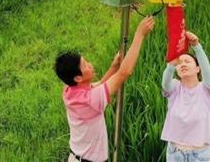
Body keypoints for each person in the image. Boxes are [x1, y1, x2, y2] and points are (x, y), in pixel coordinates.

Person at [54, 16, 155, 162]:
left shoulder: (69, 90)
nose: (90, 65)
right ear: (77, 78)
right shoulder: (90, 100)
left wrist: (114, 66)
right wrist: (139, 35)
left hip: (77, 157)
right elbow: (125, 73)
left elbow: (100, 85)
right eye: (85, 65)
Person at [161, 30, 210, 162]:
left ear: (198, 69)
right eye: (180, 63)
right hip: (175, 153)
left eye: (188, 61)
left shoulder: (206, 90)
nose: (183, 64)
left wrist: (197, 47)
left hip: (200, 155)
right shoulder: (174, 88)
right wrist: (171, 64)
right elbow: (165, 84)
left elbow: (207, 72)